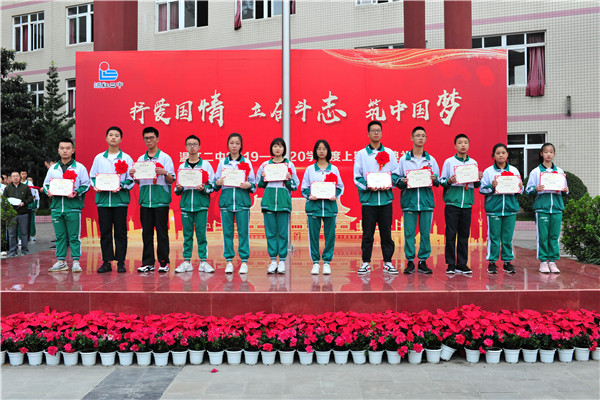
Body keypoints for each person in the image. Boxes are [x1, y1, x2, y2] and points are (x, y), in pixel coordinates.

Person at [353, 120, 399, 275]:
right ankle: (366, 262)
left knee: (386, 233)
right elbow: (357, 177)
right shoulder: (362, 154)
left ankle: (388, 262)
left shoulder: (390, 153)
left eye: (378, 130)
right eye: (373, 130)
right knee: (368, 234)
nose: (376, 133)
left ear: (382, 133)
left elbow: (396, 174)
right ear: (368, 133)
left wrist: (388, 184)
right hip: (369, 201)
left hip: (386, 200)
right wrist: (368, 185)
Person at [89, 126, 134, 274]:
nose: (113, 137)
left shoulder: (126, 158)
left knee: (120, 232)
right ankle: (106, 262)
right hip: (103, 201)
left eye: (116, 135)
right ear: (106, 138)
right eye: (111, 135)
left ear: (121, 139)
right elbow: (92, 177)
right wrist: (96, 186)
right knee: (105, 232)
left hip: (120, 201)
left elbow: (131, 180)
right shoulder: (99, 158)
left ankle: (121, 262)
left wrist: (120, 185)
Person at [130, 126, 175, 273]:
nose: (149, 140)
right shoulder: (140, 160)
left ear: (157, 139)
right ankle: (148, 262)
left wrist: (164, 173)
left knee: (162, 233)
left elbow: (171, 179)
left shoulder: (165, 158)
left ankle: (163, 262)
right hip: (145, 202)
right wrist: (133, 176)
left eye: (151, 138)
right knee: (146, 233)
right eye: (146, 138)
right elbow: (139, 181)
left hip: (161, 201)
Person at [396, 126, 440, 275]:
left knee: (425, 233)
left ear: (426, 139)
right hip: (409, 201)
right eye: (417, 135)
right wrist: (403, 181)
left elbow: (437, 180)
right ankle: (409, 261)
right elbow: (397, 179)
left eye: (423, 135)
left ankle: (422, 261)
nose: (420, 138)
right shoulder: (404, 159)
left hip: (426, 202)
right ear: (412, 138)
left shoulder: (431, 160)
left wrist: (434, 179)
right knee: (409, 233)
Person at [44, 138, 90, 272]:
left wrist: (77, 192)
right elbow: (46, 185)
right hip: (57, 207)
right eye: (62, 148)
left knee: (74, 236)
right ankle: (61, 261)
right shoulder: (53, 169)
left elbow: (86, 184)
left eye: (68, 148)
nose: (65, 151)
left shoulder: (79, 168)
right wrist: (48, 192)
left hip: (73, 208)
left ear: (73, 150)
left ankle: (76, 261)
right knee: (60, 236)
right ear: (58, 150)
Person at [439, 134, 483, 275]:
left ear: (469, 145)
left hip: (467, 204)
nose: (463, 145)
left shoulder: (473, 163)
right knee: (451, 234)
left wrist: (479, 178)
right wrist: (449, 181)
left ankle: (462, 264)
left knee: (464, 235)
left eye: (465, 142)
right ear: (455, 146)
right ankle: (451, 264)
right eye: (460, 143)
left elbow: (476, 185)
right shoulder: (449, 162)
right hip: (452, 203)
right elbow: (441, 181)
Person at [213, 133, 256, 274]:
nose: (234, 146)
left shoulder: (246, 162)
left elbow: (254, 185)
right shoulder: (222, 163)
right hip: (226, 203)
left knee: (243, 233)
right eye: (232, 143)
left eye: (237, 143)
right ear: (228, 145)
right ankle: (229, 261)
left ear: (241, 145)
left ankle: (244, 261)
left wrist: (248, 185)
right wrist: (218, 182)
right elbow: (215, 183)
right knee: (227, 233)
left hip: (242, 202)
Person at [301, 139, 344, 275]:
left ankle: (326, 262)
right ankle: (315, 262)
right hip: (314, 208)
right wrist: (310, 195)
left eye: (324, 149)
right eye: (319, 148)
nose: (321, 151)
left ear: (328, 151)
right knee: (313, 236)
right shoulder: (310, 169)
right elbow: (304, 188)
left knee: (330, 236)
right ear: (315, 151)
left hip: (330, 208)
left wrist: (335, 195)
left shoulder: (334, 169)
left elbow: (340, 187)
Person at [256, 138, 299, 274]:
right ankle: (273, 261)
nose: (277, 149)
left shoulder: (289, 165)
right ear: (271, 148)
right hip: (268, 203)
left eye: (280, 146)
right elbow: (259, 184)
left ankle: (282, 261)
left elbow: (295, 186)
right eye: (275, 146)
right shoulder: (265, 165)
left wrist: (288, 179)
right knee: (270, 233)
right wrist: (263, 177)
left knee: (283, 233)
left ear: (284, 149)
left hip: (283, 203)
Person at [174, 135, 216, 274]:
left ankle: (203, 261)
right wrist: (179, 188)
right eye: (189, 144)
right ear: (186, 147)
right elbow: (177, 189)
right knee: (187, 235)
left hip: (201, 205)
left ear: (199, 147)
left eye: (195, 144)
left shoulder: (206, 165)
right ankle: (187, 262)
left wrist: (204, 188)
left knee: (201, 235)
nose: (192, 147)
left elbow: (212, 186)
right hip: (186, 205)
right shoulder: (182, 166)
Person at [525, 143, 569, 274]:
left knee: (554, 236)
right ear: (541, 154)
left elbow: (565, 189)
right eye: (546, 152)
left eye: (551, 152)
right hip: (542, 208)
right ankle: (543, 262)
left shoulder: (560, 172)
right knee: (543, 236)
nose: (548, 154)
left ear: (554, 154)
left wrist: (566, 190)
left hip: (556, 208)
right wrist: (535, 189)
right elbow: (528, 190)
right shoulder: (536, 172)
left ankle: (553, 262)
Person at [479, 143, 523, 274]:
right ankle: (492, 262)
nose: (501, 155)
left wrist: (520, 187)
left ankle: (507, 262)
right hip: (494, 209)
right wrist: (492, 186)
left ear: (507, 155)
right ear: (493, 156)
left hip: (510, 209)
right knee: (494, 237)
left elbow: (520, 191)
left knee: (507, 237)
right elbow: (482, 189)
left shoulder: (514, 171)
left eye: (503, 153)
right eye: (498, 153)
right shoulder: (488, 172)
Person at [4, 171, 33, 256]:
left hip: (23, 213)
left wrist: (24, 203)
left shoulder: (25, 187)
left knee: (24, 233)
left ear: (20, 177)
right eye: (14, 176)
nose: (16, 178)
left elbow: (31, 198)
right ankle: (13, 251)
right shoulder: (7, 188)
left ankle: (25, 250)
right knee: (12, 234)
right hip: (11, 214)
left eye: (17, 176)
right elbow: (4, 200)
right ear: (11, 178)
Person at [27, 177, 40, 242]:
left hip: (32, 207)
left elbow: (37, 198)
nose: (29, 182)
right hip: (26, 207)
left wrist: (36, 207)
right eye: (28, 180)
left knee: (32, 222)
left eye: (30, 180)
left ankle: (32, 235)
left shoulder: (35, 190)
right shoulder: (24, 188)